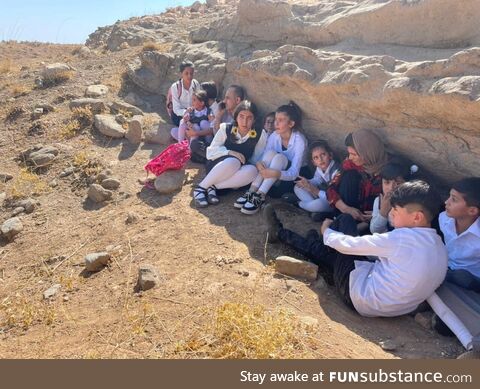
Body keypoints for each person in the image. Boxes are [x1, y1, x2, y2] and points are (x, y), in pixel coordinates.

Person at [265, 180, 447, 317]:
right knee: (335, 258)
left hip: (358, 295)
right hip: (390, 307)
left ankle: (305, 238)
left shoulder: (402, 238)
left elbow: (348, 245)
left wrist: (327, 231)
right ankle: (284, 234)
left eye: (396, 211)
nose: (391, 214)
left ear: (416, 217)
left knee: (345, 222)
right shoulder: (439, 245)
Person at [235, 101, 308, 215]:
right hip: (271, 174)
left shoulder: (299, 140)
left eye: (281, 120)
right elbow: (266, 155)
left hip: (291, 179)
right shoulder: (275, 136)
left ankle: (261, 195)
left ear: (291, 124)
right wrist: (259, 163)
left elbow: (294, 172)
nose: (276, 123)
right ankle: (252, 191)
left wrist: (277, 174)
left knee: (280, 158)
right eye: (276, 119)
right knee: (271, 154)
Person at [192, 100, 267, 208]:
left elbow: (256, 158)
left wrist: (257, 164)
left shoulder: (260, 134)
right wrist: (230, 152)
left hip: (235, 176)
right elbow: (211, 151)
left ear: (254, 119)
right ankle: (200, 188)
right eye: (241, 116)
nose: (244, 122)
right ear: (236, 117)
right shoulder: (225, 128)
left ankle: (212, 187)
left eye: (249, 118)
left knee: (253, 170)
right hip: (218, 166)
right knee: (233, 161)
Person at [326, 129, 388, 223]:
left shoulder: (388, 169)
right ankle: (342, 220)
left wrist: (378, 213)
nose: (350, 157)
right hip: (350, 213)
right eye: (349, 153)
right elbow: (331, 188)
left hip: (375, 219)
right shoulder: (350, 164)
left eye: (354, 154)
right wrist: (346, 209)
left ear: (367, 153)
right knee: (349, 176)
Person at [439, 177, 480, 292]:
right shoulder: (444, 219)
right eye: (449, 196)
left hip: (471, 279)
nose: (446, 202)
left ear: (472, 211)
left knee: (461, 277)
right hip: (446, 267)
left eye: (454, 199)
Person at [191, 84, 245, 164]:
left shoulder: (241, 118)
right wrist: (219, 115)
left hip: (228, 151)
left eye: (227, 98)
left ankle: (209, 160)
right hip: (217, 147)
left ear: (237, 100)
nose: (224, 101)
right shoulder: (225, 112)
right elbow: (215, 132)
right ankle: (209, 159)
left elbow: (224, 140)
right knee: (195, 144)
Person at [292, 140, 340, 214]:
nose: (320, 159)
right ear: (313, 162)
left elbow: (334, 197)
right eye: (316, 158)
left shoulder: (336, 171)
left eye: (323, 155)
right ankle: (313, 209)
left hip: (334, 202)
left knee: (319, 204)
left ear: (330, 155)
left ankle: (300, 204)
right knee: (298, 187)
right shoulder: (319, 168)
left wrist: (315, 191)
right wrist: (307, 183)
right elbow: (317, 180)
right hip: (321, 195)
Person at [370, 161, 416, 234]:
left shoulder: (412, 203)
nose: (391, 188)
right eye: (387, 182)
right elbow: (374, 231)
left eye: (398, 183)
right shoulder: (379, 201)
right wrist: (383, 212)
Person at [166, 61, 200, 127]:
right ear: (181, 74)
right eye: (186, 73)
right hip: (179, 115)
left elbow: (199, 101)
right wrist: (185, 112)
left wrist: (192, 110)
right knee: (185, 125)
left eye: (191, 73)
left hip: (193, 113)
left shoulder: (196, 84)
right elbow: (176, 109)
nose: (189, 76)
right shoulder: (175, 87)